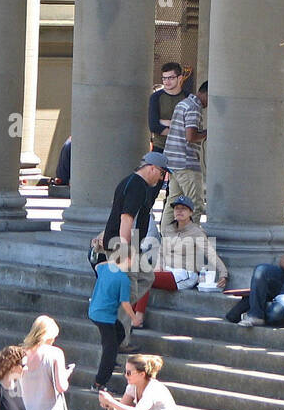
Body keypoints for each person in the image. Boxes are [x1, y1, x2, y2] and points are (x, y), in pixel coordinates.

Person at [93, 151, 166, 338]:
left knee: (147, 277)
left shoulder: (129, 182)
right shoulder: (137, 186)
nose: (162, 178)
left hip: (125, 244)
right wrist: (125, 250)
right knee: (126, 294)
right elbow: (126, 219)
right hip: (124, 247)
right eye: (162, 173)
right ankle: (120, 339)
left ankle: (111, 304)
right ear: (152, 168)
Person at [129, 196, 228, 322]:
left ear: (191, 212)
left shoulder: (196, 232)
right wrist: (158, 267)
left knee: (144, 277)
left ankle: (138, 318)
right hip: (168, 270)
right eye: (176, 208)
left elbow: (211, 254)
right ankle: (128, 316)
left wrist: (223, 273)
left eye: (183, 209)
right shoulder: (168, 229)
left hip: (185, 273)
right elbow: (161, 252)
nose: (179, 211)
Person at [89, 243, 134, 392]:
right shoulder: (123, 279)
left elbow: (97, 266)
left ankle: (111, 358)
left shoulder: (104, 268)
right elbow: (125, 303)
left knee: (120, 331)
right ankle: (98, 383)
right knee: (110, 348)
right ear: (128, 259)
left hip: (95, 311)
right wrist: (134, 318)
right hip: (105, 317)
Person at [162, 81, 207, 219]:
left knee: (173, 203)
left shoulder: (183, 103)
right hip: (187, 162)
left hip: (173, 162)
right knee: (196, 205)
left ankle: (167, 237)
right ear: (204, 93)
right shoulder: (194, 107)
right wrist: (207, 133)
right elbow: (191, 136)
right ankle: (189, 238)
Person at [147, 61, 190, 152]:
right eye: (164, 78)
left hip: (182, 148)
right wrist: (179, 127)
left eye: (170, 78)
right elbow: (154, 126)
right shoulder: (155, 97)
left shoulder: (188, 98)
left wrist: (166, 122)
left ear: (180, 78)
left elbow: (190, 127)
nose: (166, 81)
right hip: (160, 147)